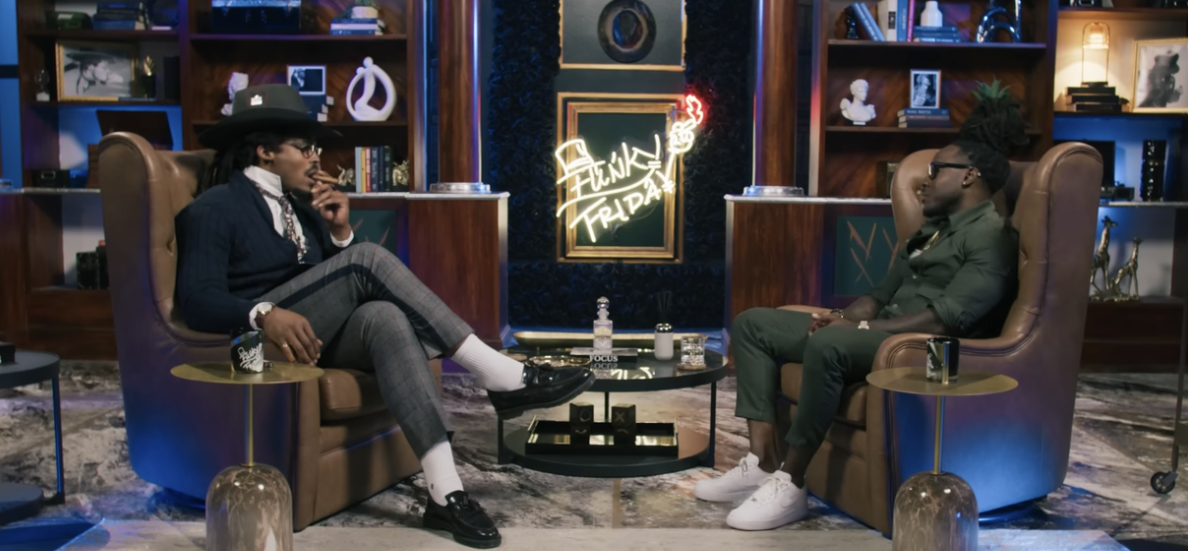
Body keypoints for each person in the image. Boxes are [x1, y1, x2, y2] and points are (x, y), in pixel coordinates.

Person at [176, 84, 595, 549]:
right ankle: (498, 373)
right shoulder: (213, 208)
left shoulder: (302, 208)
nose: (315, 159)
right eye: (304, 148)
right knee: (370, 258)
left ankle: (445, 492)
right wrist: (264, 313)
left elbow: (334, 284)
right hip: (258, 345)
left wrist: (337, 234)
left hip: (311, 333)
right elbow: (195, 300)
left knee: (385, 316)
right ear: (265, 152)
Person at [695, 91, 1027, 531]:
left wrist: (862, 326)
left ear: (969, 176)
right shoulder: (932, 231)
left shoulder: (990, 236)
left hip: (920, 347)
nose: (924, 182)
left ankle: (790, 482)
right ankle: (761, 460)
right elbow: (879, 291)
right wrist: (846, 316)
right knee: (754, 324)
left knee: (830, 344)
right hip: (879, 330)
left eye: (935, 171)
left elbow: (945, 319)